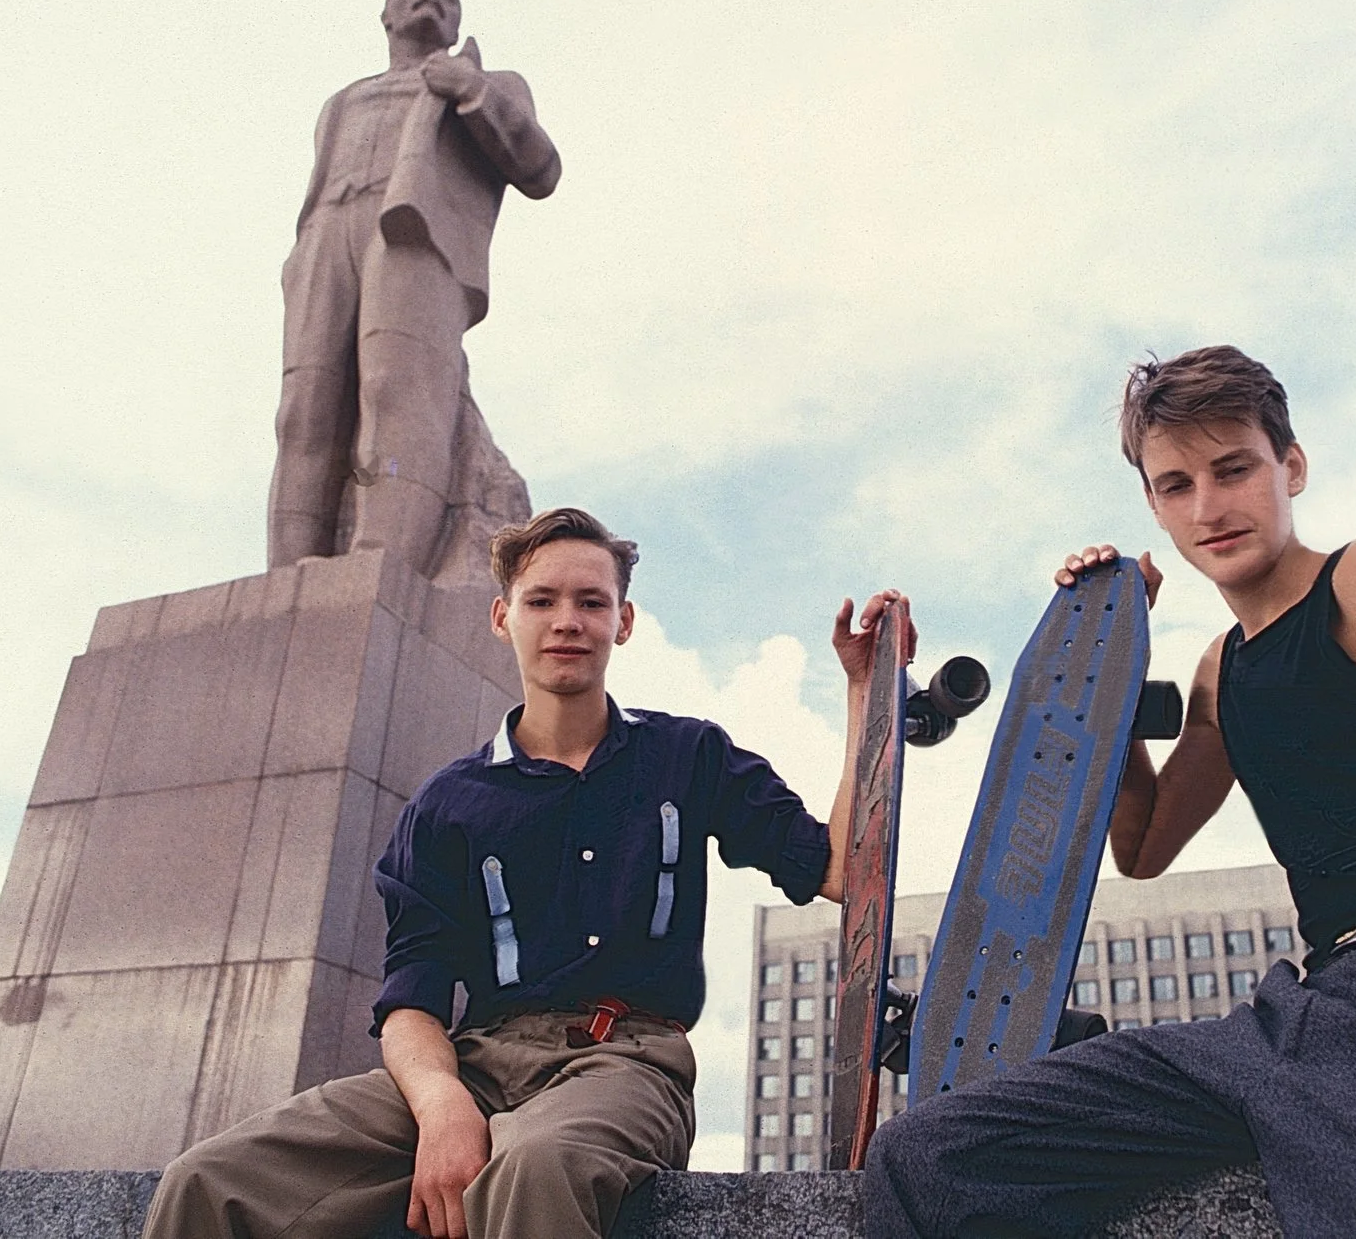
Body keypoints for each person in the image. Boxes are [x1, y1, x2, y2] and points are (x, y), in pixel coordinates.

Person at [863, 345, 1356, 1237]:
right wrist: (1106, 663)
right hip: (1305, 1010)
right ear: (1153, 502)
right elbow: (1143, 850)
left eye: (1234, 469)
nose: (1209, 507)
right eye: (1176, 485)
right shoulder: (1220, 671)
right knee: (932, 1158)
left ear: (1290, 466)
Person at [145, 506, 914, 1239]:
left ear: (625, 621)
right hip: (476, 1061)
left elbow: (843, 872)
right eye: (541, 600)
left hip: (626, 1060)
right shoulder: (449, 804)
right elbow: (411, 997)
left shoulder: (689, 756)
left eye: (591, 601)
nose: (567, 621)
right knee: (207, 1182)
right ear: (502, 616)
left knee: (536, 1168)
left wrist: (861, 690)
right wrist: (444, 1105)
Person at [267, 0, 559, 581]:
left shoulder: (490, 82)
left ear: (456, 21)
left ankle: (383, 564)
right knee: (303, 410)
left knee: (397, 390)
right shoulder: (342, 101)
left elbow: (541, 168)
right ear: (388, 14)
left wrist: (471, 93)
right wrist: (301, 257)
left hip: (416, 235)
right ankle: (286, 575)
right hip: (327, 235)